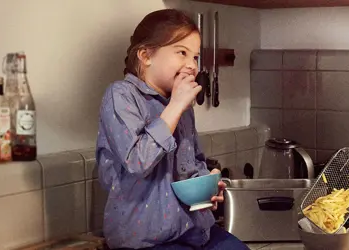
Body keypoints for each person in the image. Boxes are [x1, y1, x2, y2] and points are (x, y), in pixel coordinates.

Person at [95, 9, 249, 250]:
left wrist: (205, 185)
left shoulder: (181, 104)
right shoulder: (121, 96)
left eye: (195, 57)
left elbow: (193, 162)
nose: (191, 65)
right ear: (146, 56)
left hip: (194, 231)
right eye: (182, 53)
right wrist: (176, 106)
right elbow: (137, 162)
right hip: (145, 241)